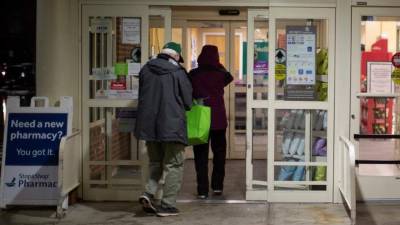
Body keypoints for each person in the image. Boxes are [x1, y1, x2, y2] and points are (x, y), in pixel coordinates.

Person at [135, 42, 192, 217]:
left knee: (155, 162)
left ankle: (148, 193)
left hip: (149, 126)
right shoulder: (177, 72)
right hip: (172, 126)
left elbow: (141, 96)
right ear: (175, 56)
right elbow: (188, 100)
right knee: (174, 164)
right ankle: (167, 205)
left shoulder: (145, 70)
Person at [189, 45, 233, 199]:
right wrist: (218, 64)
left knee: (200, 156)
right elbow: (230, 76)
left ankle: (202, 190)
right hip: (218, 120)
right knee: (219, 154)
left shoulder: (193, 74)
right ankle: (217, 187)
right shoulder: (221, 74)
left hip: (201, 118)